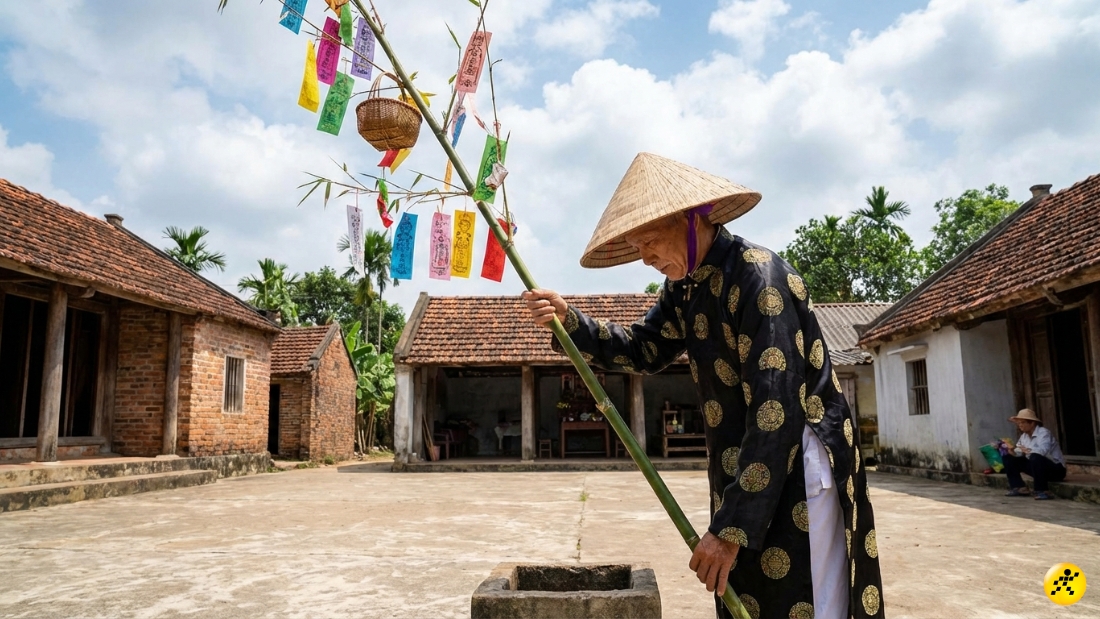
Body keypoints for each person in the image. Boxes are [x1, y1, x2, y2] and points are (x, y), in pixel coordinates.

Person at [522, 153, 884, 619]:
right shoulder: (687, 288)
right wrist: (570, 321)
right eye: (637, 247)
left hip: (798, 465)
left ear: (693, 221)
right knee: (751, 596)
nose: (646, 257)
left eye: (650, 241)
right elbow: (644, 348)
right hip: (744, 470)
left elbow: (776, 407)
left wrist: (731, 527)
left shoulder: (758, 277)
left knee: (807, 601)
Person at [1003, 408, 1066, 500]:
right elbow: (1019, 453)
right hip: (1038, 469)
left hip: (1056, 470)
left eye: (1023, 422)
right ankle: (1019, 487)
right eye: (1019, 423)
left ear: (1032, 423)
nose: (1020, 425)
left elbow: (1042, 451)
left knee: (1035, 457)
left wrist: (1027, 450)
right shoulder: (1024, 436)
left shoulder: (1044, 433)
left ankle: (1042, 490)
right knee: (1007, 457)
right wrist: (1011, 451)